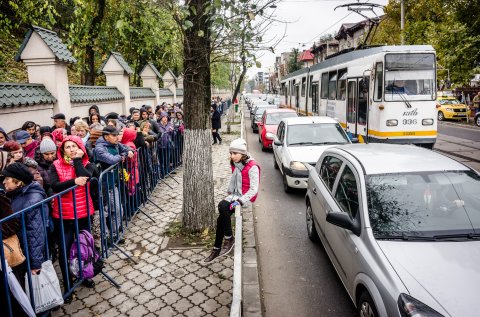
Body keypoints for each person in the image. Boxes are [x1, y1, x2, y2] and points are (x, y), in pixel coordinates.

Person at [49, 136, 98, 291]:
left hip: (83, 212)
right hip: (63, 214)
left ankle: (85, 275)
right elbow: (55, 186)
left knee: (85, 247)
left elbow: (86, 176)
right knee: (65, 249)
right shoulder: (55, 165)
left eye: (74, 146)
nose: (71, 149)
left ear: (80, 148)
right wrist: (73, 182)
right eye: (68, 147)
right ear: (62, 150)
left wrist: (78, 160)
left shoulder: (87, 163)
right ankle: (68, 284)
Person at [204, 138, 260, 263]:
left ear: (243, 153)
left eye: (235, 153)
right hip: (235, 195)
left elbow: (254, 190)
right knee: (221, 219)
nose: (232, 156)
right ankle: (216, 248)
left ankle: (229, 239)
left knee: (222, 206)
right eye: (231, 153)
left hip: (245, 198)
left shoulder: (253, 167)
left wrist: (240, 201)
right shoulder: (235, 163)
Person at [2, 163, 47, 278]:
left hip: (26, 251)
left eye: (7, 179)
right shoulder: (14, 194)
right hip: (20, 248)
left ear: (18, 182)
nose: (4, 182)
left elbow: (36, 233)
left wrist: (35, 263)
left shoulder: (32, 200)